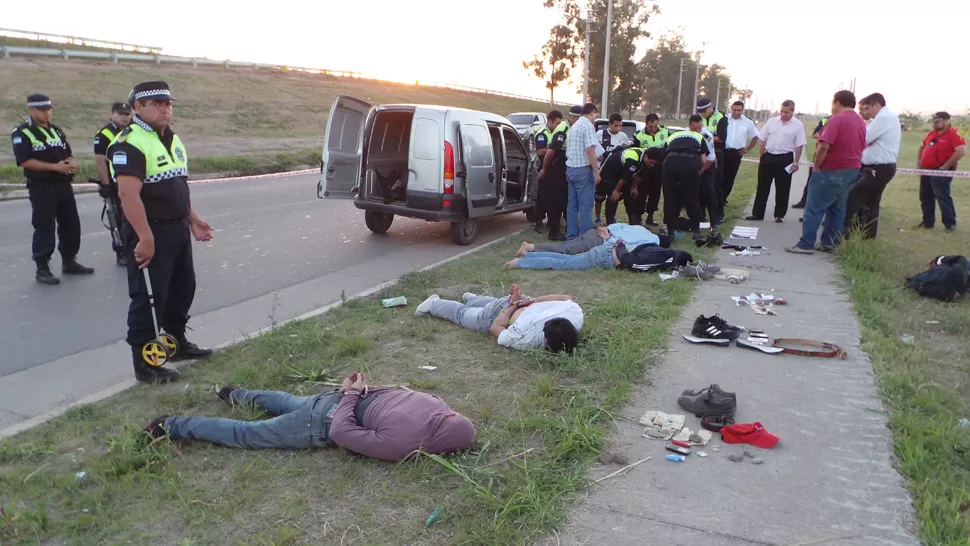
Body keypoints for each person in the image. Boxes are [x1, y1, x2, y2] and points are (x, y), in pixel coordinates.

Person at [108, 81, 214, 384]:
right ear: (138, 107)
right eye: (156, 103)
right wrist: (145, 237)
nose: (165, 108)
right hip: (150, 229)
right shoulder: (129, 142)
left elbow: (177, 185)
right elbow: (128, 196)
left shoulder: (172, 139)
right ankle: (146, 365)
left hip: (177, 228)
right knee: (149, 298)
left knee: (182, 290)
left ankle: (176, 344)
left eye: (167, 103)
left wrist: (193, 219)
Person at [143, 372, 477, 462]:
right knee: (249, 434)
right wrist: (348, 397)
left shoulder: (437, 403)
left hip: (333, 398)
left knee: (287, 400)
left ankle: (234, 393)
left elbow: (388, 392)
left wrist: (351, 390)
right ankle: (170, 424)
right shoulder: (405, 444)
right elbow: (343, 434)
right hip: (327, 417)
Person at [11, 94, 94, 286]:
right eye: (41, 110)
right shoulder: (22, 133)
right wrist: (54, 167)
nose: (47, 113)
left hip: (63, 183)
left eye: (49, 109)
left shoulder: (56, 130)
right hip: (42, 185)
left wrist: (71, 162)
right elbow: (24, 160)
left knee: (71, 223)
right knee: (44, 225)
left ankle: (69, 261)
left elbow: (67, 152)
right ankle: (42, 267)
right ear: (31, 110)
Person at [786, 90, 866, 254]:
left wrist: (816, 164)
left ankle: (806, 243)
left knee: (814, 207)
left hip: (831, 169)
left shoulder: (836, 119)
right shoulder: (859, 121)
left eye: (833, 104)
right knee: (837, 208)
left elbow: (824, 145)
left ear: (837, 102)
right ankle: (830, 243)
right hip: (852, 169)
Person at [415, 284, 582, 353]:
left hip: (517, 305)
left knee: (493, 305)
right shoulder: (527, 339)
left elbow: (566, 297)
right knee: (464, 315)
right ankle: (435, 304)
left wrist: (525, 302)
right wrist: (518, 304)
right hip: (511, 308)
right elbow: (495, 327)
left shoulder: (575, 315)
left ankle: (473, 298)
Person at [843, 93, 900, 239]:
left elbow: (864, 139)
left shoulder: (884, 118)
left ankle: (844, 232)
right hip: (876, 167)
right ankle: (867, 236)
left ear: (877, 105)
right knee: (870, 202)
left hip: (878, 168)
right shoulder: (879, 119)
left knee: (853, 196)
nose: (865, 112)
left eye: (868, 108)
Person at [747, 99, 806, 223]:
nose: (783, 114)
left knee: (783, 188)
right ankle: (757, 213)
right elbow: (763, 138)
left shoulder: (798, 125)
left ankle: (779, 215)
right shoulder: (772, 121)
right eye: (782, 111)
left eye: (786, 112)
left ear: (792, 112)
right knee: (762, 187)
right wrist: (762, 154)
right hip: (768, 156)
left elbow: (799, 145)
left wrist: (796, 162)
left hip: (785, 158)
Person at [505, 237, 692, 274]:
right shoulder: (663, 259)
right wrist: (619, 251)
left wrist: (619, 247)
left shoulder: (659, 249)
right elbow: (631, 262)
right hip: (607, 257)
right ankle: (519, 264)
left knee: (565, 259)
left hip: (607, 250)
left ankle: (528, 257)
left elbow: (641, 247)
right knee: (564, 263)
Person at [93, 101, 133, 266]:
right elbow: (101, 161)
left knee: (132, 216)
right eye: (120, 114)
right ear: (112, 114)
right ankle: (121, 251)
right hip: (115, 182)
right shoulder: (104, 134)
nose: (124, 117)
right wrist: (106, 185)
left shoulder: (131, 131)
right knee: (118, 219)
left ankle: (133, 248)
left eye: (127, 114)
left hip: (131, 180)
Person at [661, 115, 711, 240]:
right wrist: (696, 170)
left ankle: (670, 230)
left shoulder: (672, 136)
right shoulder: (700, 137)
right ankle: (696, 230)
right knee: (692, 197)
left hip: (670, 163)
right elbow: (704, 160)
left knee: (669, 197)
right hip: (689, 164)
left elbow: (663, 153)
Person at [917, 111, 966, 232]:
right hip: (926, 170)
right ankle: (927, 222)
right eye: (933, 121)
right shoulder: (932, 133)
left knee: (942, 196)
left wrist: (945, 166)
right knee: (925, 196)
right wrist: (919, 164)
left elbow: (961, 151)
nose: (934, 124)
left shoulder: (954, 134)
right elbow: (922, 147)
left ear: (947, 120)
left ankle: (950, 223)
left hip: (941, 171)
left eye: (937, 121)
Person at [514, 223, 670, 258]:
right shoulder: (649, 242)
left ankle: (530, 250)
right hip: (599, 241)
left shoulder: (641, 228)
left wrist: (606, 229)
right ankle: (530, 247)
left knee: (566, 246)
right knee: (565, 250)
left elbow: (620, 226)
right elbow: (623, 245)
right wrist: (608, 237)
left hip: (595, 232)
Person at [538, 108, 578, 240]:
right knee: (556, 201)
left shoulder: (572, 128)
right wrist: (544, 169)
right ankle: (553, 232)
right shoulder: (563, 129)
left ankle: (567, 228)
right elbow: (550, 152)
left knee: (566, 201)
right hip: (558, 169)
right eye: (577, 118)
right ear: (572, 117)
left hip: (567, 169)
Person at [564, 103, 602, 240]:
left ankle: (571, 237)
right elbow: (590, 150)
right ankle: (585, 239)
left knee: (572, 206)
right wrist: (596, 172)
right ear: (592, 112)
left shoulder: (574, 126)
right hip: (583, 171)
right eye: (595, 115)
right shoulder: (588, 126)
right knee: (585, 206)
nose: (595, 118)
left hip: (571, 169)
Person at [598, 146, 655, 226]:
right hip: (611, 171)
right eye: (651, 162)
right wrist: (617, 190)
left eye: (654, 163)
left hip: (625, 172)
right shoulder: (633, 159)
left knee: (631, 197)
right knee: (613, 197)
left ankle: (635, 224)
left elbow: (640, 175)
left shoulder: (646, 159)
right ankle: (610, 222)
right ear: (646, 157)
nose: (652, 165)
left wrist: (634, 187)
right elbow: (625, 177)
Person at [593, 113, 633, 224]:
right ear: (610, 124)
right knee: (599, 197)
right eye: (616, 125)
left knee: (612, 196)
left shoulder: (623, 136)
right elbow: (594, 149)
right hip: (601, 170)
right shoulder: (600, 134)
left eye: (620, 126)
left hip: (615, 173)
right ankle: (597, 216)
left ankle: (611, 217)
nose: (618, 128)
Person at [634, 114, 669, 226]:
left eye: (655, 126)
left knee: (655, 193)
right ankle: (638, 216)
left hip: (659, 169)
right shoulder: (638, 135)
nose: (653, 129)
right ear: (646, 124)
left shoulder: (665, 132)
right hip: (644, 169)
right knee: (641, 193)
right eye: (650, 127)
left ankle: (650, 216)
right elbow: (636, 152)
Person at [697, 98, 729, 222]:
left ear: (710, 108)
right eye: (700, 112)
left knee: (714, 185)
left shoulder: (721, 117)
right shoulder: (699, 117)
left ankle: (719, 214)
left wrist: (704, 135)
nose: (702, 114)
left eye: (704, 111)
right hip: (701, 153)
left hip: (717, 153)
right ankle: (700, 214)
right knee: (700, 185)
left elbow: (720, 138)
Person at [722, 101, 759, 205]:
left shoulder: (748, 122)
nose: (737, 112)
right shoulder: (724, 119)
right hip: (723, 151)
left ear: (742, 110)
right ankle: (716, 198)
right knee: (719, 176)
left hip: (736, 153)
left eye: (739, 110)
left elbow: (755, 136)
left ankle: (723, 198)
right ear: (731, 109)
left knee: (730, 177)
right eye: (735, 110)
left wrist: (748, 149)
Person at [793, 115, 829, 210]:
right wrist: (826, 133)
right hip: (819, 154)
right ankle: (804, 201)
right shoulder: (826, 119)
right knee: (811, 179)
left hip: (831, 158)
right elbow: (815, 134)